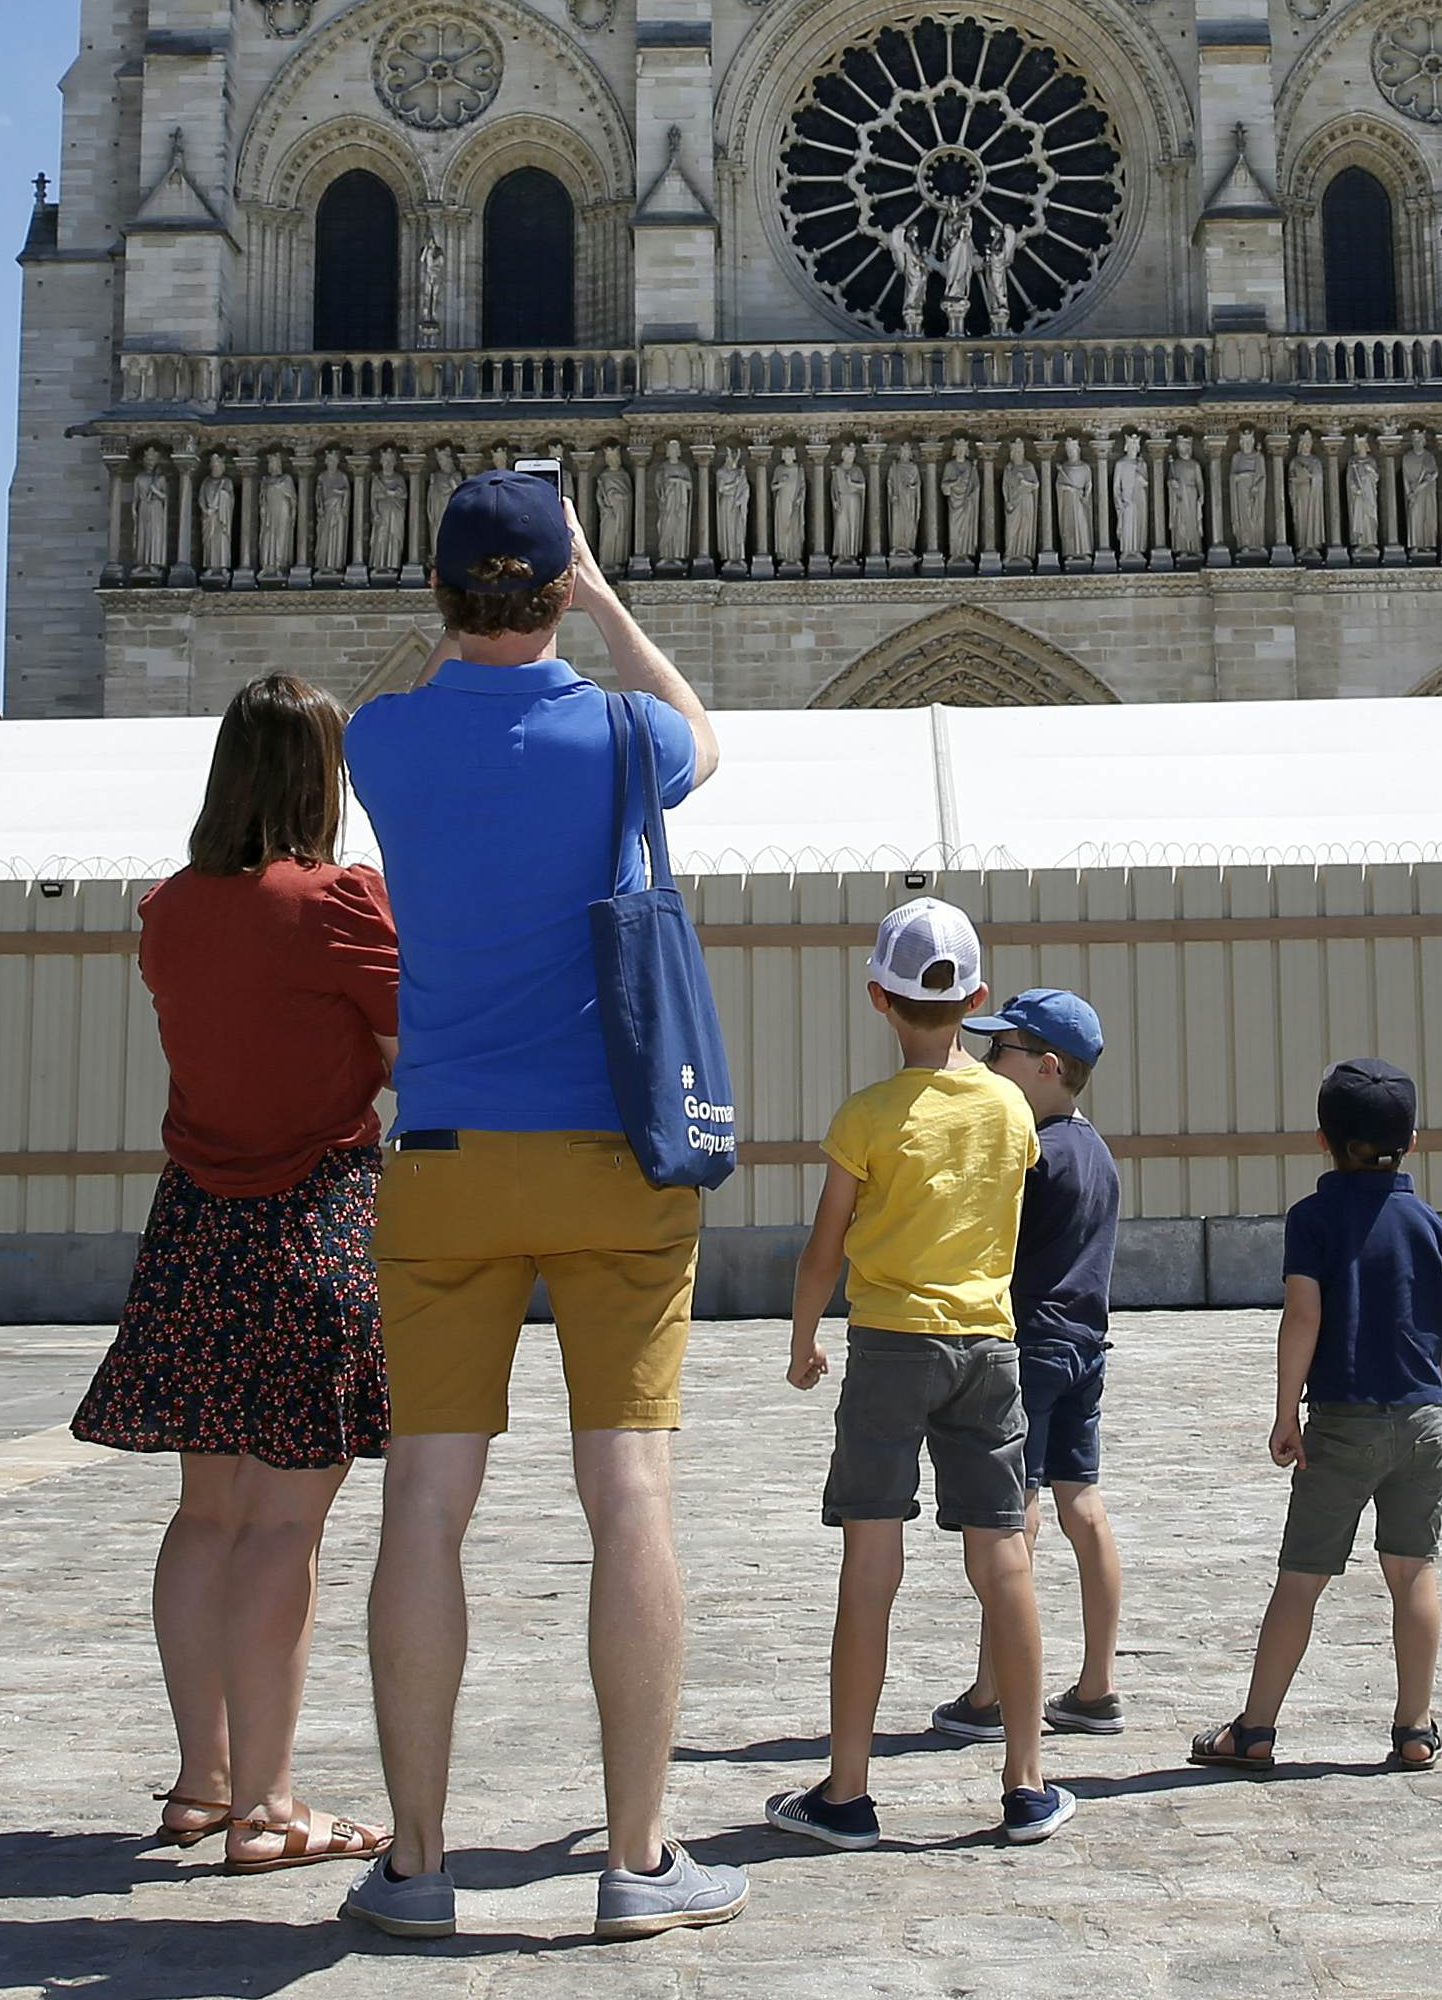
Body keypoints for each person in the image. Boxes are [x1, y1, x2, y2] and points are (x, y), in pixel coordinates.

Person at [333, 470, 745, 1944]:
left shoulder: (380, 742)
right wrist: (609, 594)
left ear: (441, 595)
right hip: (611, 1161)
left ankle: (418, 1866)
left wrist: (455, 625)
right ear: (558, 584)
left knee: (425, 1508)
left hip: (441, 1159)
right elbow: (705, 732)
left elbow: (392, 702)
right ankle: (637, 1860)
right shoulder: (625, 735)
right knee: (626, 1493)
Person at [69, 673, 400, 1875]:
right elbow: (419, 1031)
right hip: (312, 1223)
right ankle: (271, 1806)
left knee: (205, 1511)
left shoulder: (168, 909)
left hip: (196, 1225)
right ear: (324, 779)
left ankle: (201, 1782)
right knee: (286, 1528)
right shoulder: (335, 901)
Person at [767, 899, 1073, 1851]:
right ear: (977, 999)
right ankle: (1026, 1781)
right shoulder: (1012, 1107)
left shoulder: (863, 1116)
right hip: (988, 1348)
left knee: (871, 1565)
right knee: (1002, 1559)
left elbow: (826, 1247)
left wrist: (802, 1336)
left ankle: (848, 1792)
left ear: (878, 998)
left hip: (891, 1347)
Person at [1191, 1056, 1442, 1776]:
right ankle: (1414, 1726)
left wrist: (1286, 1413)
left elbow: (1303, 1316)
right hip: (1422, 1419)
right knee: (1413, 1573)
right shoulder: (1431, 1225)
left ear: (1322, 1139)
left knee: (1301, 1577)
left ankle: (1255, 1730)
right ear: (1411, 1140)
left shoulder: (1313, 1219)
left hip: (1343, 1423)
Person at [931, 983, 1123, 1738]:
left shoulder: (1032, 1154)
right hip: (1084, 1345)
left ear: (1045, 1066)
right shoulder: (1096, 1149)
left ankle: (992, 1693)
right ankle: (1097, 1684)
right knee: (1082, 1501)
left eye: (998, 1050)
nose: (983, 1059)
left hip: (1030, 1347)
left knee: (1013, 1514)